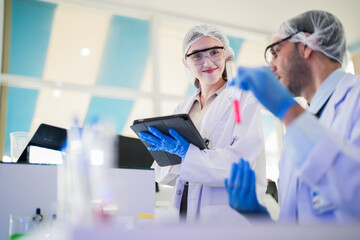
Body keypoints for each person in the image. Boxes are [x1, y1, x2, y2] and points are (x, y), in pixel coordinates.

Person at [225, 10, 360, 223]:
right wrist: (259, 218)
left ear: (306, 46)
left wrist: (287, 111)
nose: (271, 65)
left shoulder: (355, 98)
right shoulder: (295, 138)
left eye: (276, 51)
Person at [138, 25, 266, 222]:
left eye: (215, 52)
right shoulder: (183, 107)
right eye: (197, 56)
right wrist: (167, 156)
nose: (207, 62)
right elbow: (163, 174)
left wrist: (186, 155)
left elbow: (241, 162)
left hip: (226, 216)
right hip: (183, 210)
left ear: (227, 55)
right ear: (186, 63)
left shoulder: (244, 99)